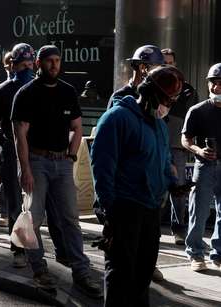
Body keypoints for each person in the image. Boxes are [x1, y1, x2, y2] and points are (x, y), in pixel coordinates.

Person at [11, 45, 101, 297]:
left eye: (57, 60)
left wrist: (72, 155)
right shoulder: (26, 93)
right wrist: (25, 169)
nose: (54, 65)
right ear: (38, 63)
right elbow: (20, 135)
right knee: (33, 218)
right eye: (49, 61)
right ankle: (39, 270)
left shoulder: (67, 91)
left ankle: (82, 273)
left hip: (62, 163)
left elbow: (77, 127)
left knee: (70, 219)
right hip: (37, 162)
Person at [91, 65, 183, 306]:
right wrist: (109, 213)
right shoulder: (117, 118)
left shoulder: (160, 125)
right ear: (151, 93)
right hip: (124, 208)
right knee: (121, 276)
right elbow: (102, 168)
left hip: (151, 209)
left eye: (172, 101)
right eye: (166, 100)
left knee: (142, 275)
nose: (168, 106)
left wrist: (173, 184)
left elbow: (163, 161)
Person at [0, 42, 35, 263]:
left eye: (31, 64)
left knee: (38, 203)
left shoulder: (39, 88)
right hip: (12, 154)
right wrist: (3, 141)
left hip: (36, 153)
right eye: (23, 65)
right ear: (13, 65)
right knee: (15, 203)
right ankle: (19, 248)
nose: (28, 69)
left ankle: (34, 247)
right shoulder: (3, 91)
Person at [182, 63, 221, 271]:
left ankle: (219, 254)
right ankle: (195, 253)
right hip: (205, 166)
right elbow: (185, 139)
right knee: (200, 211)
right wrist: (199, 150)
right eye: (213, 83)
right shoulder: (197, 110)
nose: (216, 88)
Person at [161, 48, 198, 245]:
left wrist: (191, 145)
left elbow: (194, 119)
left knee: (179, 189)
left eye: (170, 63)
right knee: (153, 188)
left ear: (175, 65)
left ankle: (179, 230)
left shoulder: (187, 90)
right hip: (155, 146)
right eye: (163, 62)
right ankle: (152, 229)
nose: (167, 65)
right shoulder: (150, 88)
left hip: (176, 146)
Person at [107, 45, 164, 109]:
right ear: (142, 67)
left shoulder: (157, 97)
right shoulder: (119, 97)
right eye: (157, 69)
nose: (159, 74)